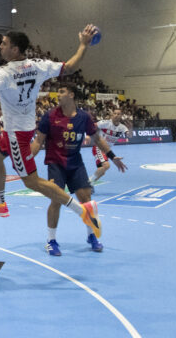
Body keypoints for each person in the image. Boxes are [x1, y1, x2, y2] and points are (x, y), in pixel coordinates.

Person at [0, 25, 104, 238]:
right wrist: (83, 45)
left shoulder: (3, 73)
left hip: (16, 134)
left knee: (32, 181)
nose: (0, 46)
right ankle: (1, 202)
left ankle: (83, 211)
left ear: (15, 49)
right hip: (16, 130)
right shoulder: (38, 65)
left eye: (4, 43)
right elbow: (69, 67)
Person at [30, 82, 126, 256]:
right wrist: (26, 160)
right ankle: (51, 240)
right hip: (56, 163)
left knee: (86, 199)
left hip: (75, 163)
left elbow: (98, 139)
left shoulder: (84, 117)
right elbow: (38, 141)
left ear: (71, 95)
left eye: (62, 92)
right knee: (56, 200)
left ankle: (91, 236)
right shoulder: (49, 116)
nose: (58, 95)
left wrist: (112, 157)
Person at [89, 109, 132, 186]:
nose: (116, 115)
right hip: (99, 147)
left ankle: (89, 185)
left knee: (102, 172)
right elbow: (92, 126)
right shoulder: (105, 123)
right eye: (114, 113)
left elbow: (129, 136)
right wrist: (88, 135)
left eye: (118, 114)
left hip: (107, 151)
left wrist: (130, 129)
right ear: (112, 115)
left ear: (121, 116)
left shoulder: (122, 128)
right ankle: (87, 183)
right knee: (106, 165)